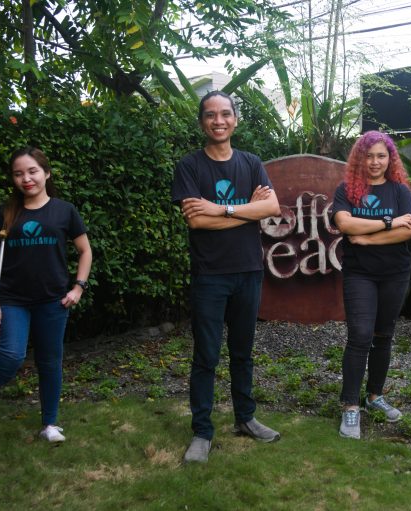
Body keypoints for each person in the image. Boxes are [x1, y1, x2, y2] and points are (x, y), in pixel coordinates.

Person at [171, 91, 282, 463]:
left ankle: (245, 419)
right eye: (210, 115)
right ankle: (202, 432)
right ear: (202, 121)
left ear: (235, 119)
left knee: (242, 353)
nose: (218, 121)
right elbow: (196, 220)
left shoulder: (251, 162)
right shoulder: (189, 166)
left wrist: (221, 208)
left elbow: (272, 207)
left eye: (225, 114)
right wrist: (245, 210)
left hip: (248, 271)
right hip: (209, 275)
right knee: (206, 356)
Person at [0, 146, 92, 443]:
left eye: (33, 171)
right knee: (12, 354)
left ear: (46, 173)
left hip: (53, 300)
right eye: (19, 173)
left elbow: (85, 251)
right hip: (12, 299)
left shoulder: (64, 210)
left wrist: (78, 287)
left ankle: (50, 425)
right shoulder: (7, 212)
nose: (26, 178)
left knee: (49, 362)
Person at [331, 130, 411, 439]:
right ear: (359, 158)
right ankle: (350, 406)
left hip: (395, 273)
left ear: (390, 158)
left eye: (381, 156)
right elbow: (345, 223)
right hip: (360, 274)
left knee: (383, 335)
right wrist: (389, 222)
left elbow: (409, 231)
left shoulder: (400, 191)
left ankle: (374, 396)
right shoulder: (347, 190)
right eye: (368, 156)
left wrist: (366, 238)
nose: (374, 162)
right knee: (360, 335)